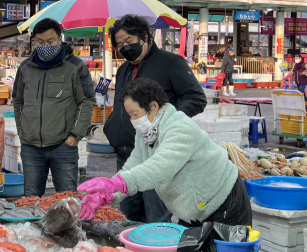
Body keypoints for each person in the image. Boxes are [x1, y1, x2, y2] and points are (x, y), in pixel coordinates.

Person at [79, 78, 252, 227]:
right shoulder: (147, 134)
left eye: (135, 113)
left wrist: (119, 182)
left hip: (223, 202)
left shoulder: (179, 127)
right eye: (130, 115)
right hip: (194, 210)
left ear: (153, 106)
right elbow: (134, 166)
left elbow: (161, 166)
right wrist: (106, 195)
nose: (133, 120)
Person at [104, 14, 207, 223]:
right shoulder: (124, 68)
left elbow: (196, 98)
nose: (124, 47)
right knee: (127, 217)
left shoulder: (170, 62)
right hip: (127, 155)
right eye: (119, 44)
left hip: (156, 156)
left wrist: (163, 121)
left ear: (145, 37)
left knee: (156, 218)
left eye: (129, 41)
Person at [12, 18, 95, 196]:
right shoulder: (26, 67)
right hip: (31, 147)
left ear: (59, 39)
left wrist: (74, 136)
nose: (45, 46)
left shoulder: (75, 66)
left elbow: (87, 101)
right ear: (34, 40)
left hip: (63, 146)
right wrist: (22, 132)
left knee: (68, 201)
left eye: (50, 41)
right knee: (31, 199)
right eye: (40, 42)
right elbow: (18, 101)